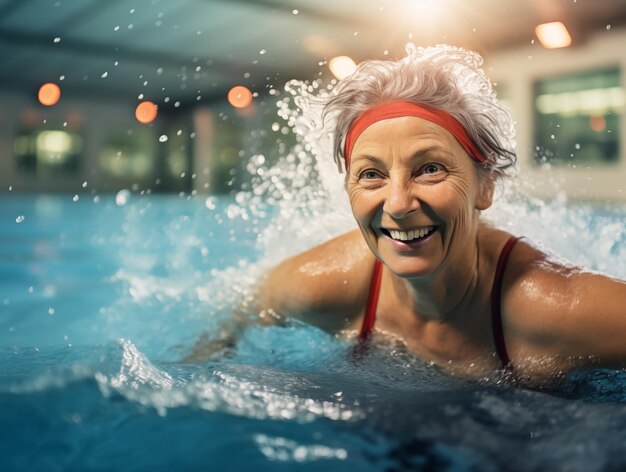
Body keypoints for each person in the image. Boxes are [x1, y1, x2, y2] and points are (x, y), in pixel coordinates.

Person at [258, 45, 626, 385]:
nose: (398, 205)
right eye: (371, 175)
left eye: (430, 168)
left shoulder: (550, 308)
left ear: (486, 187)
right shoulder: (318, 285)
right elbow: (248, 310)